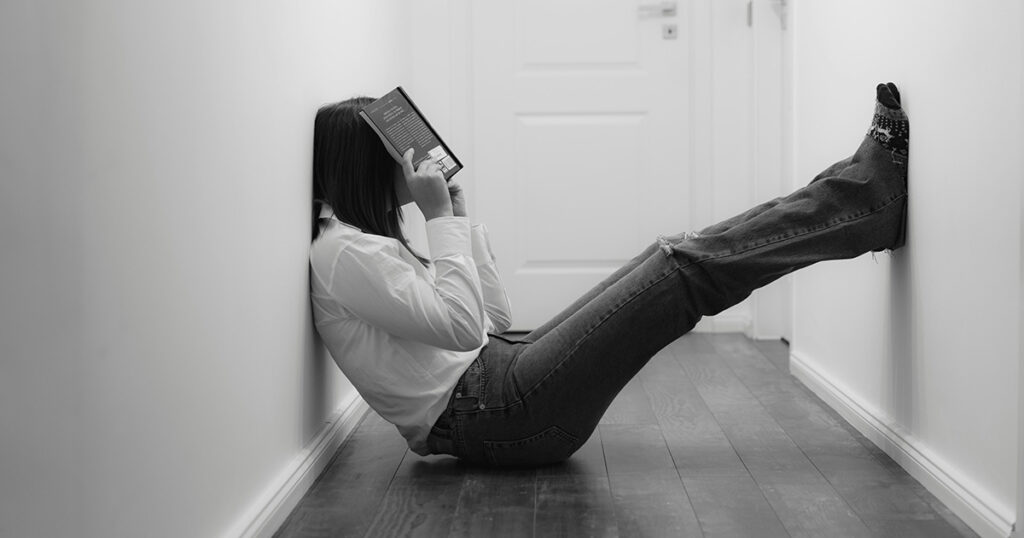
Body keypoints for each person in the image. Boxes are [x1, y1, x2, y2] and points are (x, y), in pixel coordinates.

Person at [309, 84, 909, 467]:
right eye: (394, 153)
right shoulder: (342, 254)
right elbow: (466, 332)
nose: (411, 164)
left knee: (674, 254)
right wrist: (438, 217)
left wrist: (458, 223)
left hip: (496, 377)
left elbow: (492, 324)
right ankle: (864, 203)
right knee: (680, 269)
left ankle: (856, 193)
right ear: (364, 166)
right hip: (496, 414)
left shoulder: (366, 247)